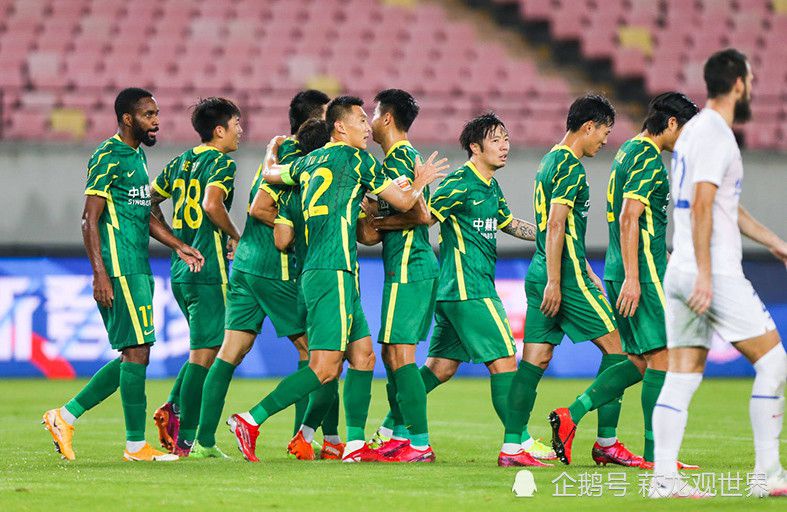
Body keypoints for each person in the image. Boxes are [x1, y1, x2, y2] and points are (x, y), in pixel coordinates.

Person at [227, 95, 447, 463]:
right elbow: (407, 205)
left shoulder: (306, 162)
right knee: (325, 367)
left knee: (363, 357)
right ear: (340, 127)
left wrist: (270, 150)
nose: (367, 127)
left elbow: (270, 175)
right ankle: (250, 420)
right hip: (334, 272)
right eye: (361, 121)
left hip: (320, 272)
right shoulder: (359, 160)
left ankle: (356, 445)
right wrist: (419, 182)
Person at [650, 48, 787, 499]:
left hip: (681, 268)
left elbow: (725, 204)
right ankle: (767, 475)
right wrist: (708, 274)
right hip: (711, 271)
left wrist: (772, 242)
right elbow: (705, 202)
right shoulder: (716, 133)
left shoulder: (692, 135)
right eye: (750, 78)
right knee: (774, 363)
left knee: (683, 375)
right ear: (739, 83)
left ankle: (664, 480)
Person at [42, 87, 204, 462]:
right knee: (136, 351)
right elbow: (89, 218)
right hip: (118, 267)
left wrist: (178, 245)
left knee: (137, 352)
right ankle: (133, 445)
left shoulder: (136, 158)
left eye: (157, 113)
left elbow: (145, 215)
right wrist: (100, 273)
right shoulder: (107, 156)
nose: (156, 121)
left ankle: (64, 416)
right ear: (128, 118)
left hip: (138, 265)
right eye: (149, 114)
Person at [386, 112, 539, 467]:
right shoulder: (458, 182)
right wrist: (383, 220)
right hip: (469, 289)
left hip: (457, 292)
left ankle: (390, 432)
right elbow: (423, 216)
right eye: (496, 139)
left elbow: (509, 224)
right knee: (505, 364)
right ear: (475, 146)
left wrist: (549, 233)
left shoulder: (490, 186)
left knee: (439, 368)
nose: (505, 146)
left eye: (507, 139)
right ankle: (517, 446)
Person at [503, 94, 644, 467]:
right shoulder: (570, 167)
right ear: (588, 127)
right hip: (562, 277)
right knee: (624, 353)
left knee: (534, 360)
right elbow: (555, 224)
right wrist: (558, 279)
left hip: (545, 272)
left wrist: (581, 271)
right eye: (604, 133)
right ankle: (606, 442)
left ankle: (511, 449)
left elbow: (562, 231)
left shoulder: (549, 160)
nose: (605, 141)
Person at [189, 92, 330, 459]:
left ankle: (202, 442)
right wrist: (298, 226)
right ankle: (301, 437)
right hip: (274, 267)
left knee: (231, 351)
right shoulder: (296, 156)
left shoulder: (279, 151)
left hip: (247, 264)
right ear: (317, 119)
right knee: (316, 352)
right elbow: (258, 207)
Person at [604, 92, 699, 469]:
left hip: (632, 266)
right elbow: (630, 216)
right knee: (663, 358)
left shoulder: (628, 150)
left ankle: (571, 414)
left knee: (639, 360)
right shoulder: (647, 157)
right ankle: (657, 454)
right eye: (686, 130)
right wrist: (633, 277)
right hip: (638, 273)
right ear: (672, 123)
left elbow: (640, 224)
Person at [150, 97, 243, 457]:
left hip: (181, 269)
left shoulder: (179, 162)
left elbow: (148, 202)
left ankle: (171, 407)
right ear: (219, 130)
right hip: (207, 270)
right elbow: (211, 204)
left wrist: (175, 240)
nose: (240, 131)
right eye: (236, 124)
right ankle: (185, 439)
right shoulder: (221, 162)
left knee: (204, 350)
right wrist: (235, 236)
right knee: (204, 356)